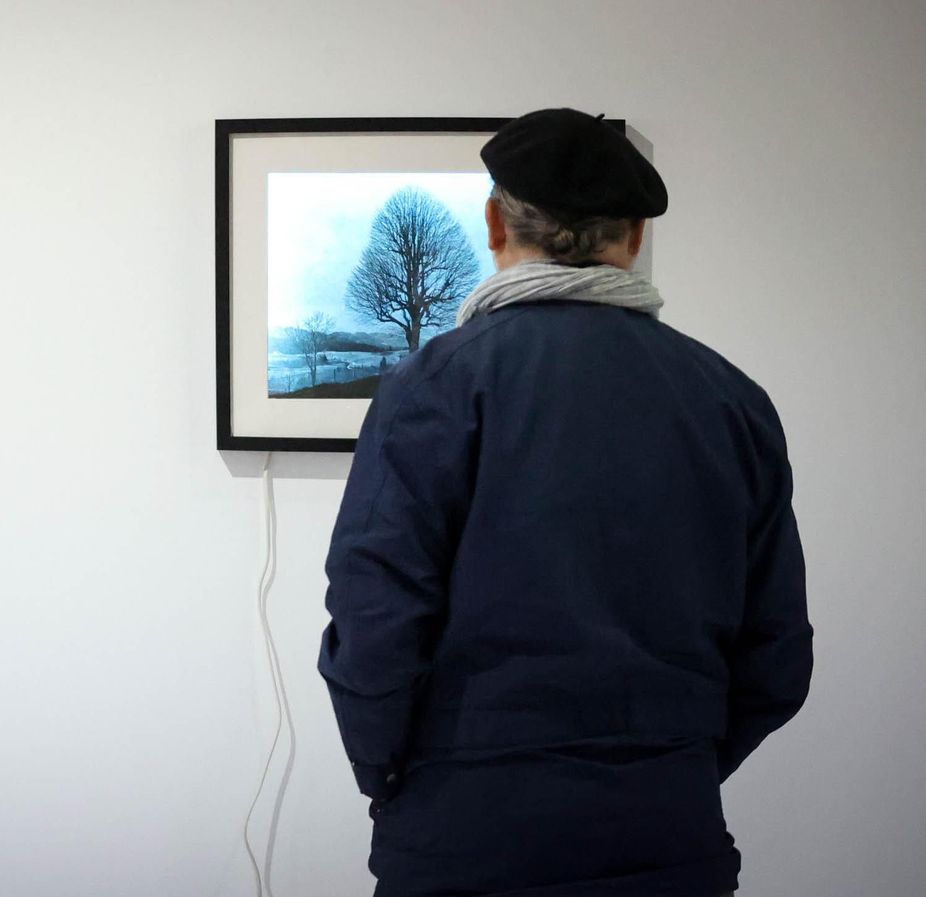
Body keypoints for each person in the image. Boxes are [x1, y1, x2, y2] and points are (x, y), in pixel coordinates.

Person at [317, 108, 813, 897]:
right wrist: (672, 761)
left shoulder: (435, 386)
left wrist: (388, 769)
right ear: (635, 236)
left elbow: (375, 620)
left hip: (467, 834)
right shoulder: (732, 401)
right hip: (668, 835)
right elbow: (778, 654)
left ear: (494, 223)